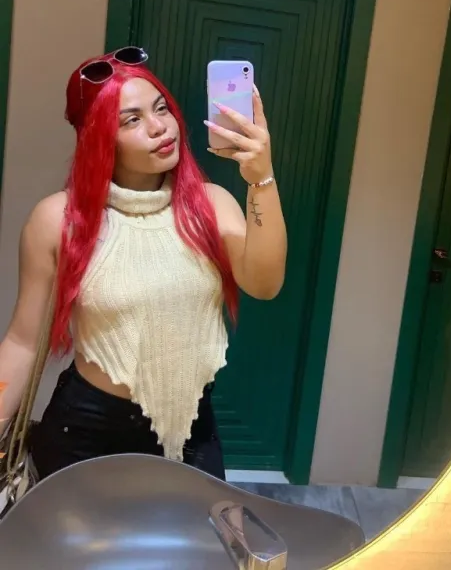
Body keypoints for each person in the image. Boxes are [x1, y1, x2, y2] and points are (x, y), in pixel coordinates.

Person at [0, 47, 287, 481]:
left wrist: (261, 179)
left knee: (197, 529)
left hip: (191, 432)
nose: (159, 127)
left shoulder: (211, 205)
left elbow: (265, 284)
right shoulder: (59, 220)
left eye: (161, 109)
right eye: (132, 120)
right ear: (100, 138)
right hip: (86, 432)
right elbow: (22, 342)